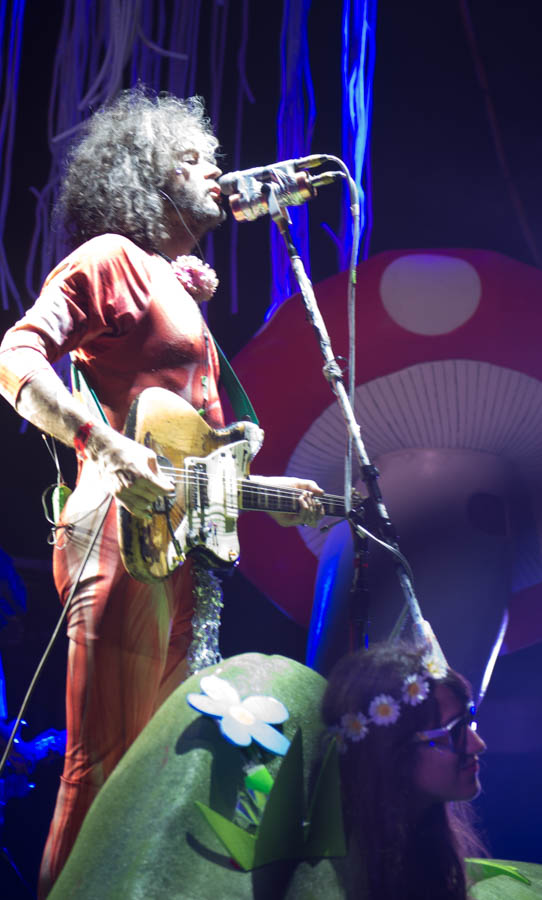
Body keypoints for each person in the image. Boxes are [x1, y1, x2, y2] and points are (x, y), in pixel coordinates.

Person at [0, 85, 323, 896]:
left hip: (182, 550)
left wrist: (275, 491)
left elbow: (188, 455)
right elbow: (16, 355)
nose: (217, 171)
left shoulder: (177, 287)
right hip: (117, 535)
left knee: (159, 769)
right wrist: (99, 441)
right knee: (100, 763)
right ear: (147, 178)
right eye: (193, 159)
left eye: (213, 157)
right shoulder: (109, 258)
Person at [321, 641, 487, 900]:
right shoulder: (334, 878)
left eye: (469, 722)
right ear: (392, 749)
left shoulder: (425, 850)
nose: (478, 745)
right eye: (454, 731)